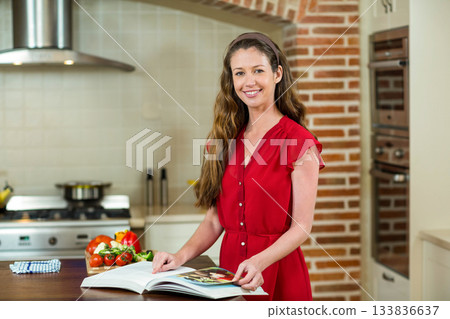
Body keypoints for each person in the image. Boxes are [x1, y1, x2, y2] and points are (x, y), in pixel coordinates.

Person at [152, 32, 325, 301]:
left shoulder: (299, 142)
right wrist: (179, 256)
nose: (249, 81)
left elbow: (301, 226)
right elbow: (214, 219)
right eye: (240, 73)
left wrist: (260, 261)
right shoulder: (222, 139)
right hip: (229, 274)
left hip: (278, 274)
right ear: (231, 80)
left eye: (258, 70)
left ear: (277, 74)